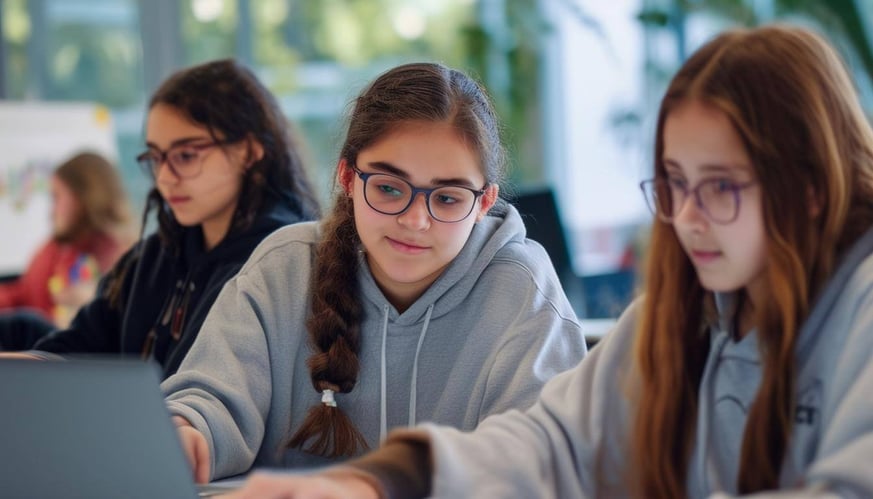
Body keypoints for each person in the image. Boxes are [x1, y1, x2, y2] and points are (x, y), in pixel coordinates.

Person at [222, 24, 873, 499]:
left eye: (722, 186)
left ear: (808, 187)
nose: (687, 217)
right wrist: (378, 480)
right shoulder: (675, 317)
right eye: (674, 182)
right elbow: (554, 442)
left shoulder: (861, 307)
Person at [161, 62, 588, 483]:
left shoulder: (523, 294)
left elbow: (545, 461)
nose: (416, 220)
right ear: (347, 177)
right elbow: (209, 399)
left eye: (448, 199)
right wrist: (188, 432)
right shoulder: (283, 268)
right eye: (388, 188)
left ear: (483, 202)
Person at [8, 58, 320, 378]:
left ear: (249, 152)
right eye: (156, 158)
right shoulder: (156, 254)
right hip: (136, 424)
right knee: (21, 329)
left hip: (186, 428)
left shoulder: (280, 259)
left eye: (186, 156)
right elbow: (78, 346)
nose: (165, 178)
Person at [0, 151, 133, 349]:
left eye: (56, 198)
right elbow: (21, 292)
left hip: (76, 358)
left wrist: (96, 300)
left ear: (83, 198)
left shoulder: (128, 259)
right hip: (45, 351)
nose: (51, 211)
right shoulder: (57, 248)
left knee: (24, 324)